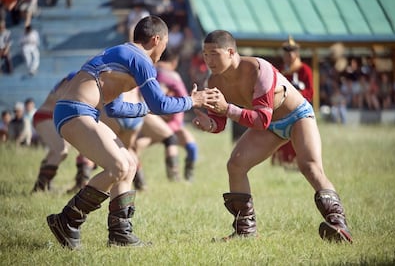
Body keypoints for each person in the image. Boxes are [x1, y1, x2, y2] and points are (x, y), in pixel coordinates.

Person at [46, 15, 217, 249]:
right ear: (156, 39)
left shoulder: (124, 54)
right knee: (117, 166)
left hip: (81, 113)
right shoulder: (140, 58)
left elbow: (115, 107)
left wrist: (147, 108)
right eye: (165, 44)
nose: (164, 51)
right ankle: (67, 220)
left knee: (129, 164)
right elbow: (160, 104)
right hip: (76, 112)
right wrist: (192, 100)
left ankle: (120, 234)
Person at [192, 30, 353, 243]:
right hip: (268, 125)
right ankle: (245, 232)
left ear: (231, 52)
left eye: (214, 53)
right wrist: (209, 124)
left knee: (310, 167)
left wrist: (227, 108)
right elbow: (220, 121)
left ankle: (338, 225)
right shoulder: (214, 82)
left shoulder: (259, 69)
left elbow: (260, 120)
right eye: (205, 54)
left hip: (296, 116)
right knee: (236, 165)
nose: (208, 60)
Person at [31, 72, 95, 193]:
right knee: (61, 151)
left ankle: (44, 187)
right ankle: (39, 188)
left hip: (59, 118)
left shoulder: (85, 79)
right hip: (47, 116)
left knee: (58, 152)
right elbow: (63, 97)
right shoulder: (76, 76)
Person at [271, 36, 313, 168]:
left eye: (291, 52)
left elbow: (310, 91)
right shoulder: (282, 71)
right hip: (282, 110)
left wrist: (295, 96)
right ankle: (281, 161)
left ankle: (298, 163)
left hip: (298, 111)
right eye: (286, 53)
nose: (288, 56)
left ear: (296, 54)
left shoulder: (304, 70)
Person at [156, 48, 198, 181]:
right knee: (189, 146)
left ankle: (140, 181)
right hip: (167, 123)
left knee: (136, 146)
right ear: (174, 62)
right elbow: (183, 99)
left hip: (167, 123)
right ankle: (178, 177)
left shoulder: (153, 72)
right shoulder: (169, 75)